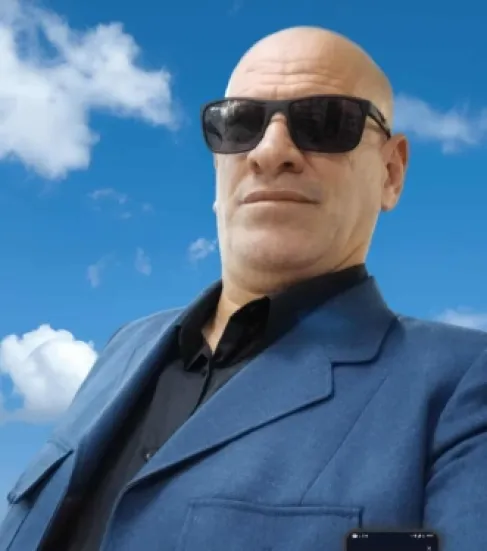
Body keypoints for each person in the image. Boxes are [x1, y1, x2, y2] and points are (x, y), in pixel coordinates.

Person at [1, 26, 486, 551]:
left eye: (324, 121)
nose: (270, 151)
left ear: (391, 172)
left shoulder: (460, 386)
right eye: (239, 124)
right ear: (219, 167)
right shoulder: (123, 349)